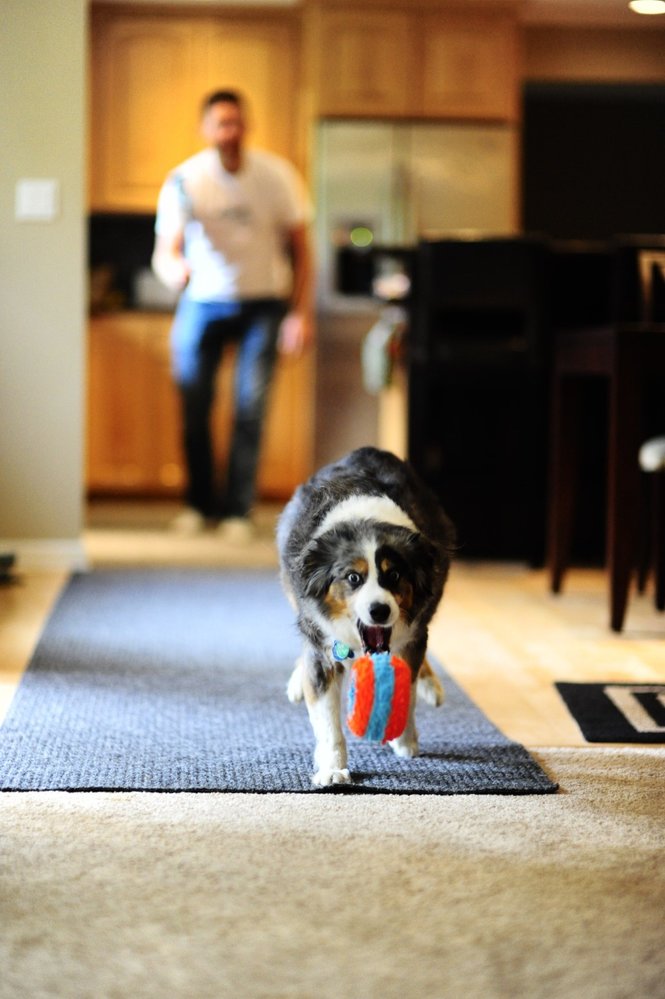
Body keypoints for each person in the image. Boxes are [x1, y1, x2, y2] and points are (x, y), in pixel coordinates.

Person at [152, 89, 313, 540]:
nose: (230, 132)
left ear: (247, 126)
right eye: (221, 123)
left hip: (264, 303)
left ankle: (237, 510)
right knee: (195, 404)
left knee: (250, 407)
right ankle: (198, 504)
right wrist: (174, 270)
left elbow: (302, 251)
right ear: (206, 129)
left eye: (236, 123)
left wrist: (300, 315)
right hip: (202, 302)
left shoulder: (277, 177)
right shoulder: (184, 180)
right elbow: (165, 253)